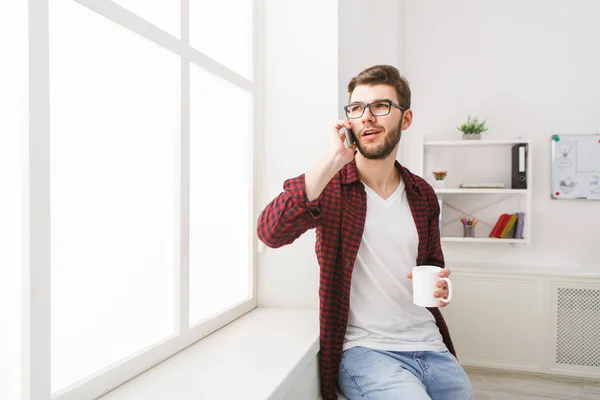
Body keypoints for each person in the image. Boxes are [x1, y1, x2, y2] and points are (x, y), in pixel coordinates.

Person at [257, 65, 473, 400]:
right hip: (366, 350)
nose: (367, 117)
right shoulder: (331, 188)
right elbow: (270, 232)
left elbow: (432, 264)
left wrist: (445, 286)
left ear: (406, 118)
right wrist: (331, 160)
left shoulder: (422, 193)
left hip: (430, 344)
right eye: (357, 108)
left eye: (381, 106)